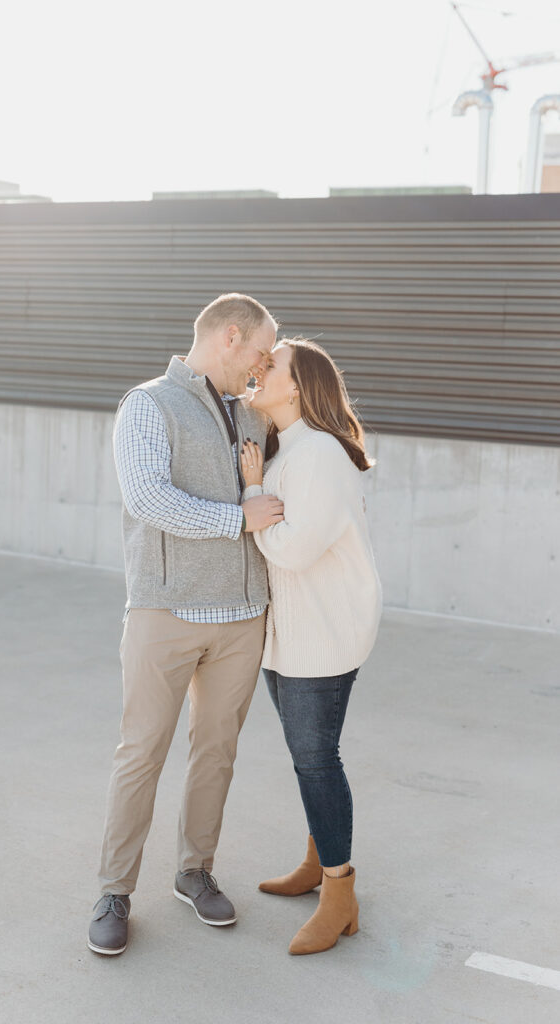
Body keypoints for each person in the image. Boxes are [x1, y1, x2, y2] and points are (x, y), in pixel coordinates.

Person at [88, 293, 284, 956]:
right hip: (164, 611)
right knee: (140, 753)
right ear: (230, 336)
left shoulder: (256, 408)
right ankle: (114, 890)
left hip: (242, 615)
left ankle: (194, 872)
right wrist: (236, 521)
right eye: (260, 351)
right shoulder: (147, 403)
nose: (264, 365)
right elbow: (146, 497)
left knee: (216, 753)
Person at [239, 337, 382, 956]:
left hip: (323, 631)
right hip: (292, 632)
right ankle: (315, 862)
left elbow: (294, 549)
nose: (257, 368)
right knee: (308, 757)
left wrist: (251, 498)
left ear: (297, 387)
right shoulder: (287, 449)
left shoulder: (319, 454)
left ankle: (339, 893)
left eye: (271, 365)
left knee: (317, 758)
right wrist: (258, 493)